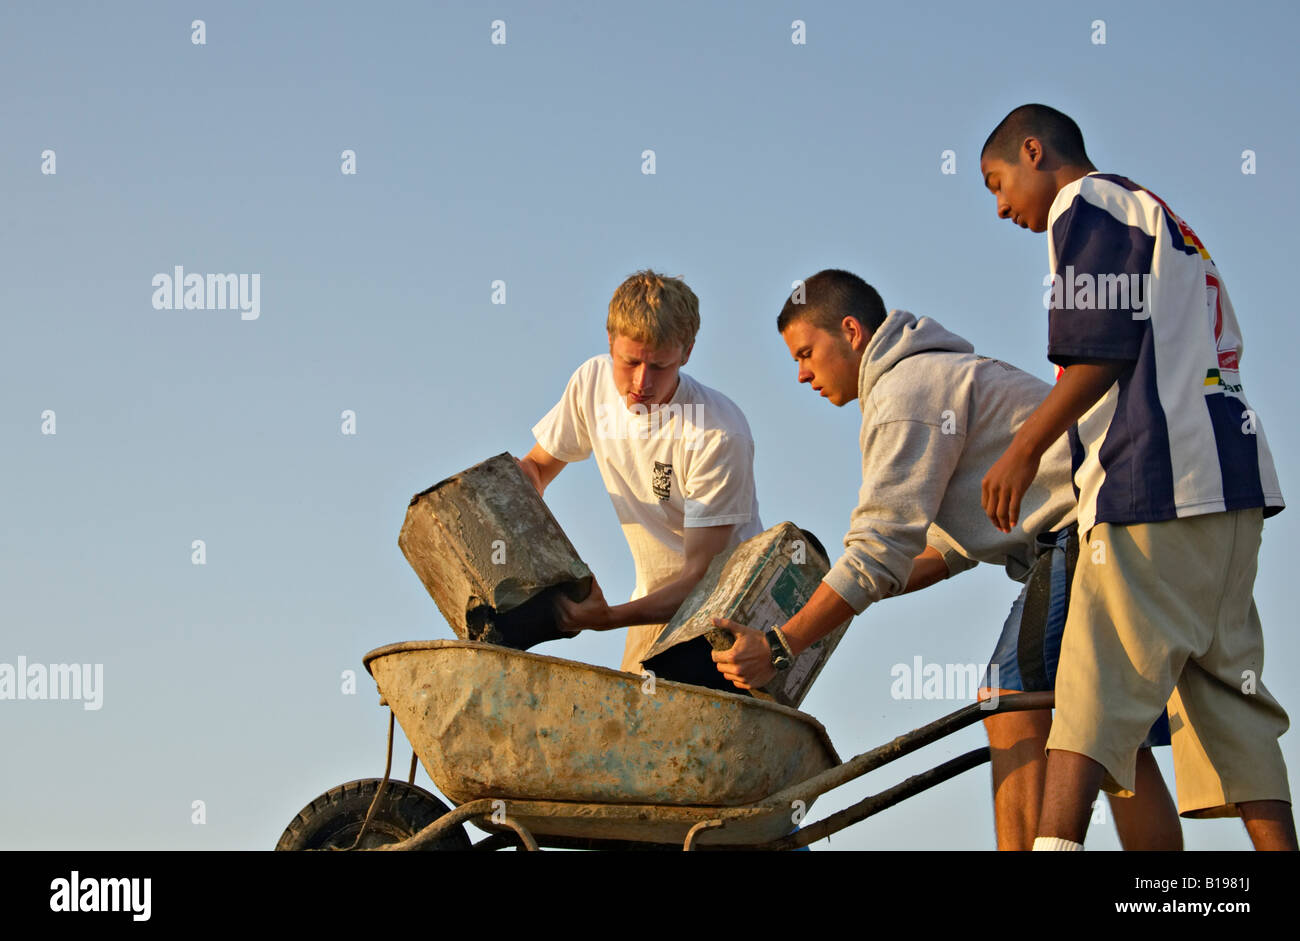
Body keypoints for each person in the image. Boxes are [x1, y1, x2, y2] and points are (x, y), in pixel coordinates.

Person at [710, 268, 1180, 850]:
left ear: (852, 331)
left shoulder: (906, 392)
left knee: (1008, 699)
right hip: (1134, 531)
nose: (801, 373)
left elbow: (878, 549)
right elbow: (945, 547)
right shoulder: (936, 376)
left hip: (1087, 533)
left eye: (806, 352)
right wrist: (831, 597)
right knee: (1119, 738)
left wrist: (783, 645)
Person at [978, 103, 1295, 850]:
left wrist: (1022, 449)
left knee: (1086, 689)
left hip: (1153, 485)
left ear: (1034, 151)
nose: (999, 206)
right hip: (1232, 493)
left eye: (997, 182)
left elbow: (1103, 348)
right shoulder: (1166, 221)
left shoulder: (1086, 203)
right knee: (1229, 700)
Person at [517, 269, 763, 675]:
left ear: (686, 353)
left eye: (659, 366)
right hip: (653, 602)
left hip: (728, 618)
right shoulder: (591, 383)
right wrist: (508, 484)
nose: (641, 382)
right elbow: (538, 468)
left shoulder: (716, 434)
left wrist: (608, 617)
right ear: (610, 341)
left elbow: (701, 579)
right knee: (626, 732)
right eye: (630, 361)